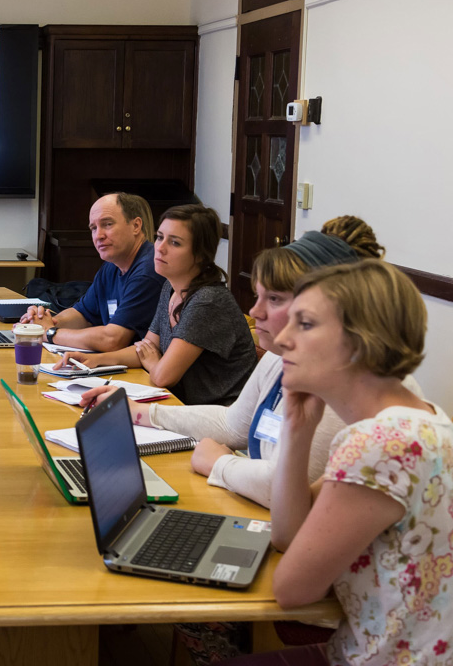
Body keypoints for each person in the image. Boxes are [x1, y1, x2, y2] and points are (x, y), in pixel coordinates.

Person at [77, 216, 420, 509]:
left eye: (274, 299)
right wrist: (140, 411)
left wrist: (219, 463)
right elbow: (233, 424)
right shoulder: (280, 358)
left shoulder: (345, 384)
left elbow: (286, 489)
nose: (254, 313)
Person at [222, 260, 451, 666]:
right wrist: (296, 428)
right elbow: (288, 535)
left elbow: (292, 590)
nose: (285, 338)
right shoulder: (416, 418)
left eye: (305, 324)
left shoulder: (380, 442)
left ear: (361, 341)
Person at [58, 204, 256, 405]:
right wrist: (97, 360)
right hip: (181, 403)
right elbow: (147, 347)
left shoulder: (208, 301)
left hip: (219, 416)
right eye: (160, 237)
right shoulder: (170, 289)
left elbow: (163, 376)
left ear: (200, 254)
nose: (159, 248)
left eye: (175, 243)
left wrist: (153, 362)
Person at [18, 192, 166, 352]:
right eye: (94, 228)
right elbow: (83, 315)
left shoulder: (149, 270)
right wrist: (42, 322)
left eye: (108, 224)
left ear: (136, 226)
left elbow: (113, 340)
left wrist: (50, 332)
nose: (98, 236)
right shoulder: (112, 266)